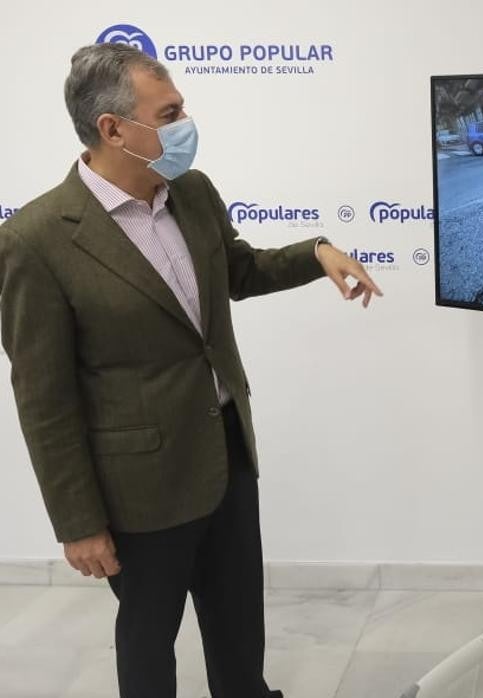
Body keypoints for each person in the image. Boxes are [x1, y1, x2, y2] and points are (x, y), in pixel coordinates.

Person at [0, 43, 382, 698]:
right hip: (139, 483)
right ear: (113, 129)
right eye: (169, 112)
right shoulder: (36, 239)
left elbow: (237, 269)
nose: (185, 124)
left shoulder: (192, 192)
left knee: (239, 619)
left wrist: (315, 251)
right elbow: (44, 397)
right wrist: (77, 521)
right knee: (149, 637)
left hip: (226, 449)